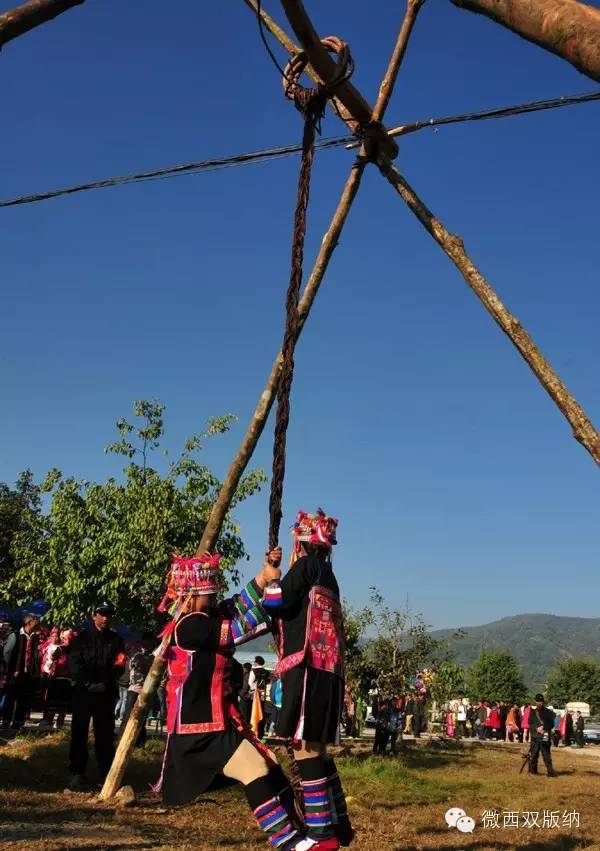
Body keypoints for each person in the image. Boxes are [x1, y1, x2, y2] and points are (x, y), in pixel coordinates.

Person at [154, 552, 316, 851]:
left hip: (220, 721)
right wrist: (280, 597)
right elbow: (241, 628)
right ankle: (290, 843)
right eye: (210, 593)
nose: (216, 596)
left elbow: (239, 603)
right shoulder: (189, 626)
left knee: (269, 766)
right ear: (193, 594)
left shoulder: (207, 616)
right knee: (254, 768)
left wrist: (265, 576)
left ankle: (303, 831)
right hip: (198, 729)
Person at [262, 509, 353, 849]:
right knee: (317, 748)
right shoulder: (327, 574)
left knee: (304, 747)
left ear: (300, 543)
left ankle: (321, 834)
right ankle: (337, 822)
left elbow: (276, 601)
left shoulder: (307, 567)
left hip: (307, 666)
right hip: (327, 671)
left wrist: (271, 577)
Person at [67, 601, 125, 790]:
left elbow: (119, 664)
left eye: (109, 614)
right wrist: (88, 684)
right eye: (102, 614)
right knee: (79, 733)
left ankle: (105, 774)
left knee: (105, 735)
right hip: (83, 693)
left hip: (105, 693)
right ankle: (77, 772)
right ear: (94, 615)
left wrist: (104, 683)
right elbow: (74, 665)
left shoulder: (116, 639)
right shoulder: (81, 638)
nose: (105, 618)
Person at [1, 613, 42, 731]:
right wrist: (9, 670)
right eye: (36, 620)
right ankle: (6, 721)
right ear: (29, 622)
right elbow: (7, 654)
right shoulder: (15, 635)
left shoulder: (35, 637)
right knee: (10, 698)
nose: (38, 622)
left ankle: (18, 723)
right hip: (14, 673)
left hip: (28, 674)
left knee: (23, 699)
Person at [118, 636, 154, 748]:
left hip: (140, 690)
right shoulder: (135, 656)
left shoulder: (144, 657)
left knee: (136, 716)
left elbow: (142, 668)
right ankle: (125, 739)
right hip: (133, 688)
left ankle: (137, 741)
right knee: (129, 716)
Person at [528, 693, 556, 776]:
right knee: (533, 755)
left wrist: (544, 727)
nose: (539, 703)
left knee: (546, 756)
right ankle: (533, 771)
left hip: (544, 737)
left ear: (543, 702)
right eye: (538, 701)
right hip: (535, 736)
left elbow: (551, 724)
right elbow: (530, 723)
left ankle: (550, 773)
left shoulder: (548, 712)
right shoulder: (532, 712)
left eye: (540, 701)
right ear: (535, 701)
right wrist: (536, 728)